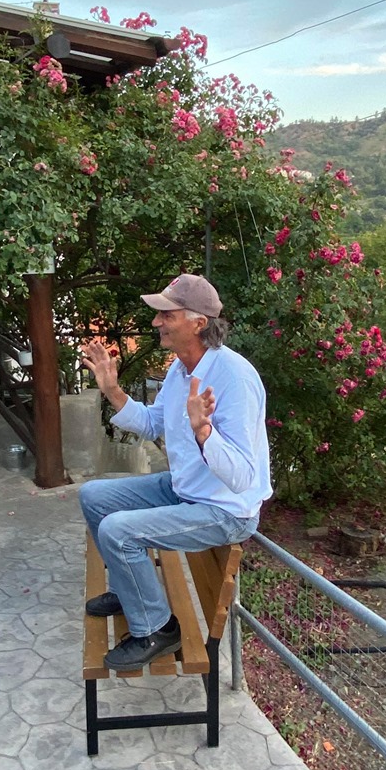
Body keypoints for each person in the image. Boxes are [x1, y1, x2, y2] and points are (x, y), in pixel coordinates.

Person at [80, 273, 272, 672]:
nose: (156, 322)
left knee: (117, 531)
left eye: (166, 315)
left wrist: (205, 435)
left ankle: (157, 629)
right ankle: (130, 590)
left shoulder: (235, 379)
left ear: (198, 322)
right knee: (94, 496)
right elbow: (153, 424)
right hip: (188, 489)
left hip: (225, 510)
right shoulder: (180, 370)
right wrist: (113, 390)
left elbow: (242, 478)